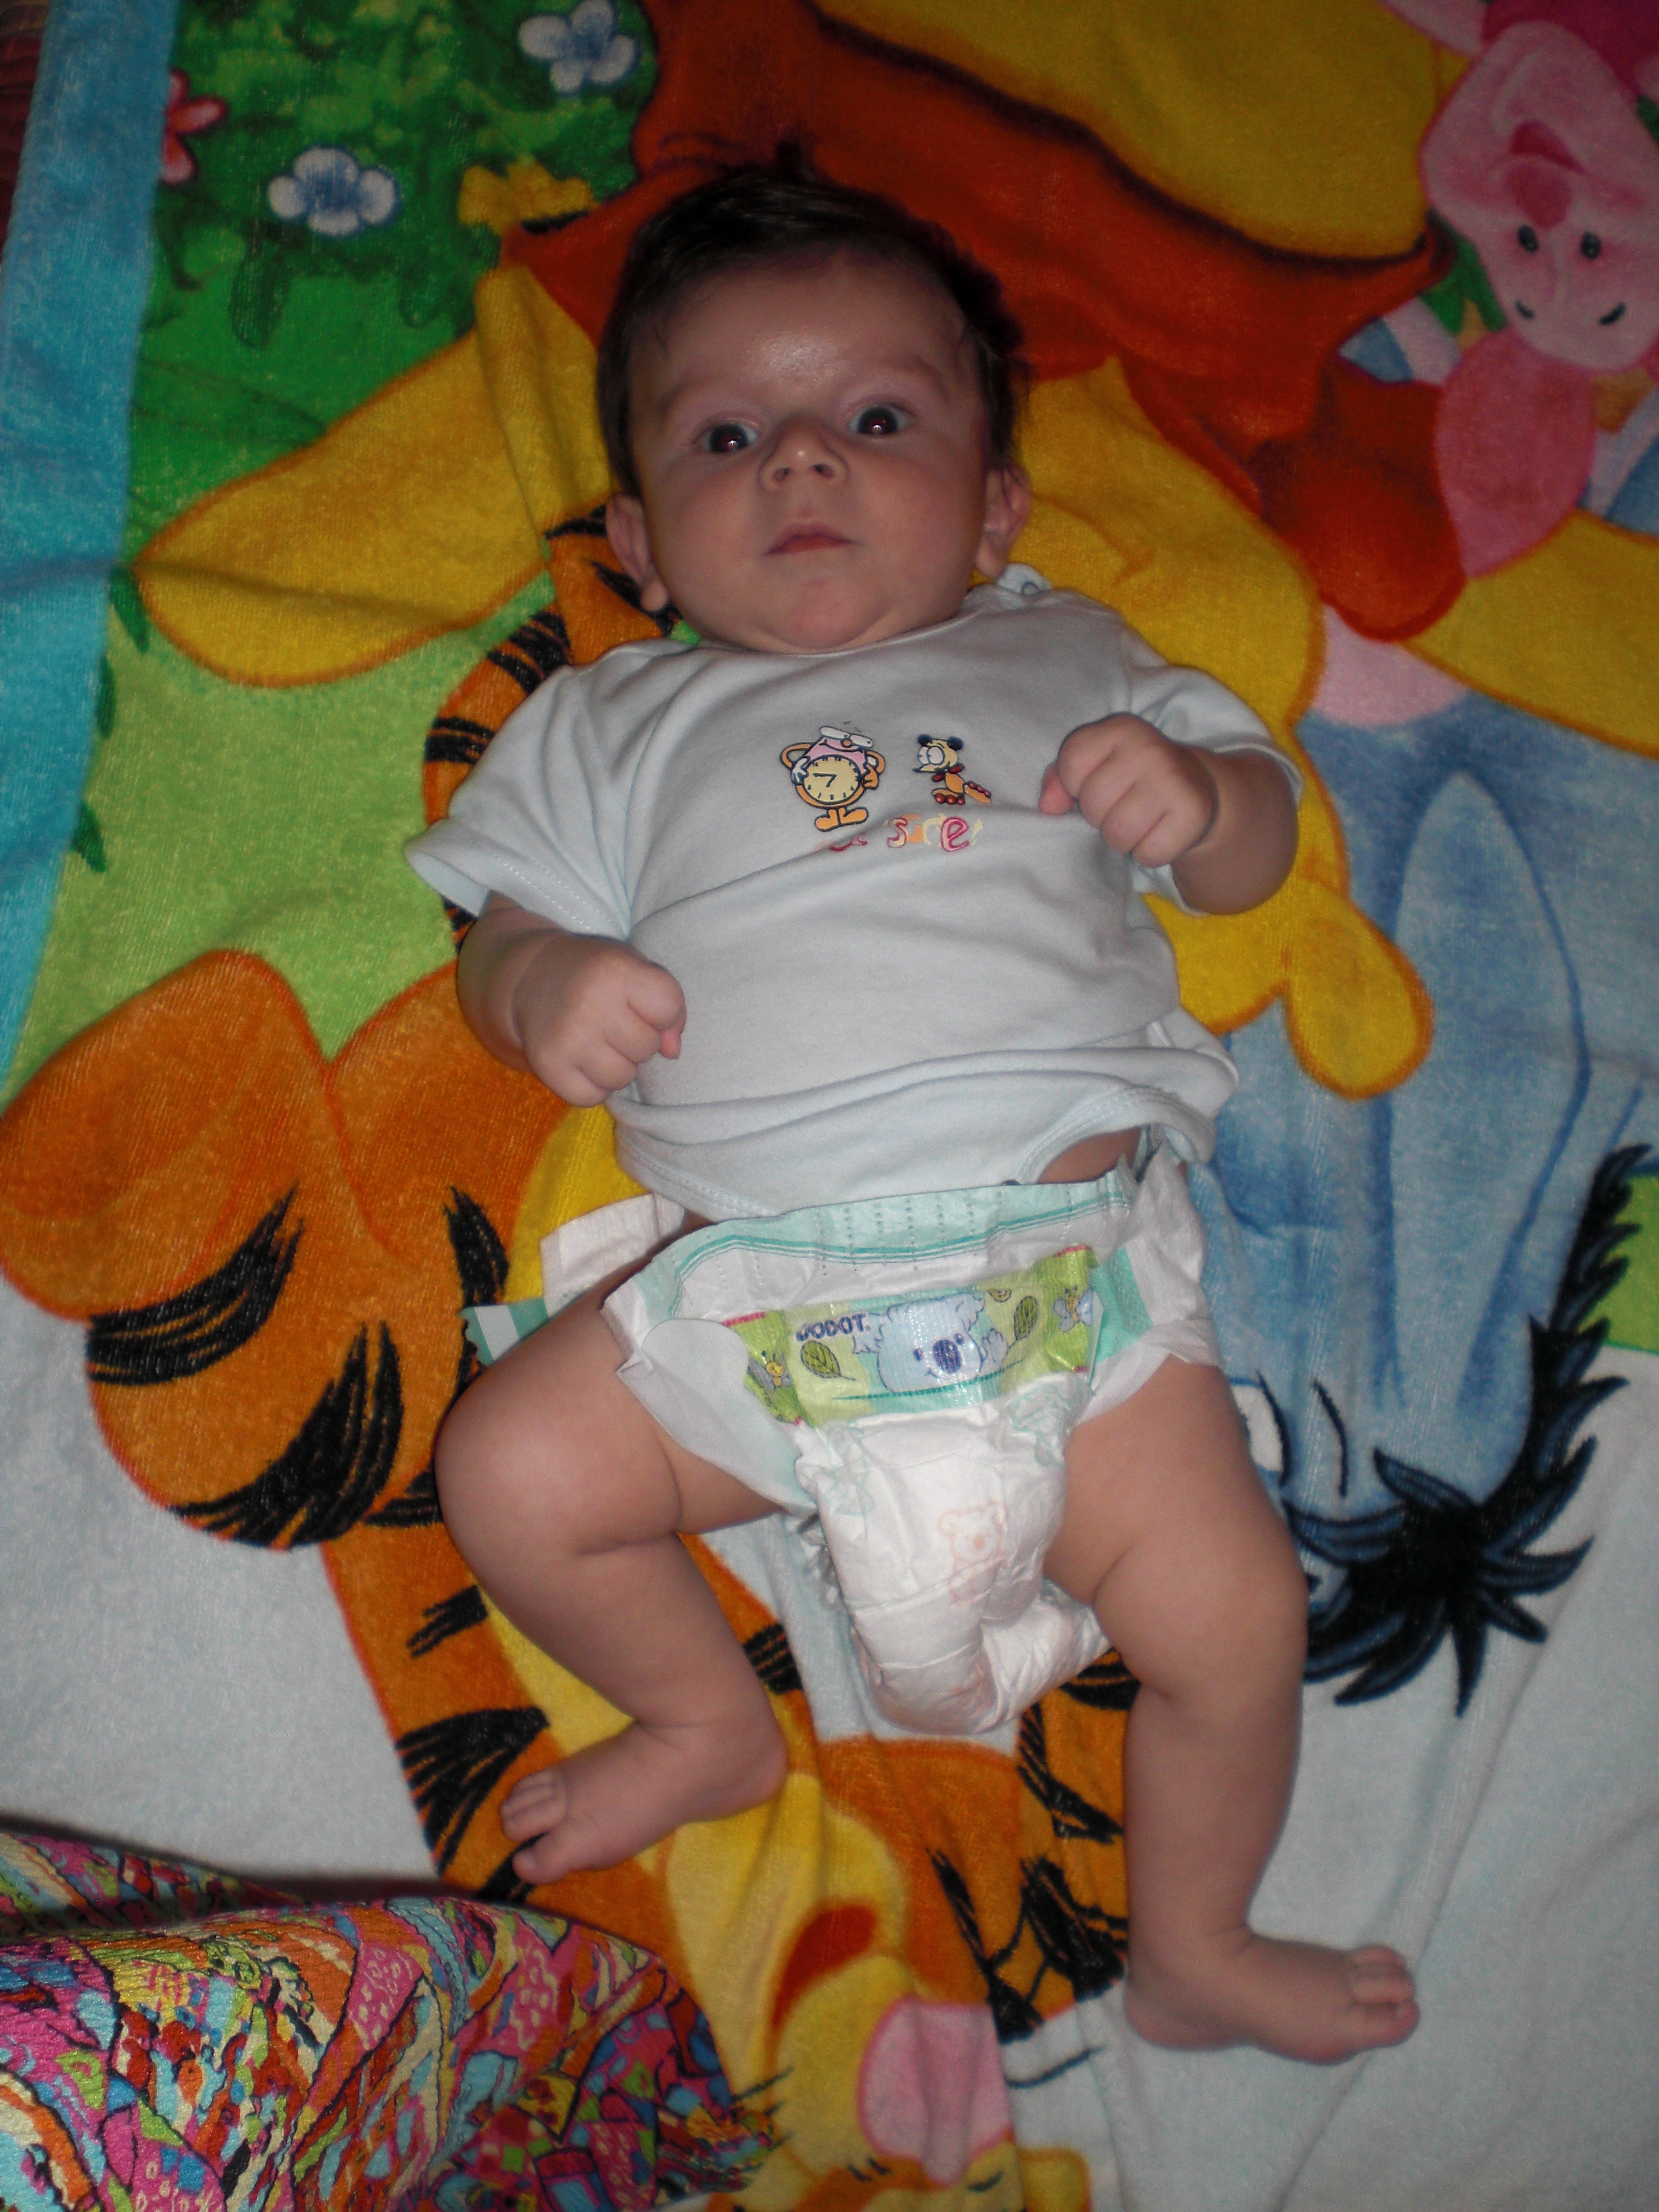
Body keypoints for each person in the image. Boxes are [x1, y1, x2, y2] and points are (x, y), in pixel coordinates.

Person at [406, 158, 1419, 2064]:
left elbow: (1251, 848)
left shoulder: (1072, 657)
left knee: (1234, 1626)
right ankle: (707, 1723)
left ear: (997, 504)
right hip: (761, 1310)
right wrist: (538, 985)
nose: (801, 460)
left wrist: (1207, 805)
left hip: (1078, 1300)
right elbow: (497, 931)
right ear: (638, 538)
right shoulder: (612, 729)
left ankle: (1195, 1943)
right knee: (512, 1476)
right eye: (728, 434)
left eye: (877, 419)